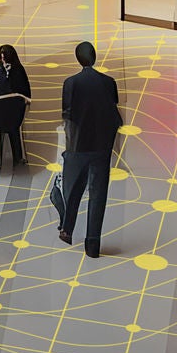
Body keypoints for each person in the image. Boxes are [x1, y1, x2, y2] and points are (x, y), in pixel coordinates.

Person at [55, 42, 121, 259]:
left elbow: (67, 116)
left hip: (79, 145)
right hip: (102, 147)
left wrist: (68, 145)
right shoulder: (109, 82)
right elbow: (114, 111)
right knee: (98, 194)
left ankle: (67, 228)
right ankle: (93, 244)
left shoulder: (70, 83)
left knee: (71, 188)